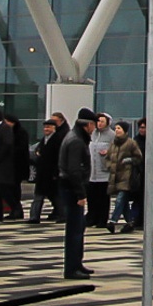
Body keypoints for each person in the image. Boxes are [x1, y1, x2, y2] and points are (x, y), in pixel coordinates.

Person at [57, 110, 96, 278]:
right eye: (93, 125)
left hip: (71, 187)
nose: (94, 128)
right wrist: (81, 194)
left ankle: (77, 263)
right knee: (74, 229)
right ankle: (72, 268)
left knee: (78, 228)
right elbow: (73, 170)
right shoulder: (76, 141)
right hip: (71, 189)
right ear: (87, 125)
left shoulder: (76, 137)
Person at [105, 121, 141, 232]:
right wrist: (109, 166)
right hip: (115, 176)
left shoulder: (131, 143)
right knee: (124, 202)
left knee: (120, 199)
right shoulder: (113, 144)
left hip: (127, 176)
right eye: (116, 128)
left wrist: (129, 160)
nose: (116, 130)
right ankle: (130, 222)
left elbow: (138, 157)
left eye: (119, 128)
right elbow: (107, 158)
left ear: (125, 131)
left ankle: (113, 221)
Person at [29, 114, 63, 223]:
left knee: (55, 196)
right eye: (45, 127)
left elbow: (58, 158)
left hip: (52, 173)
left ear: (54, 128)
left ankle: (63, 215)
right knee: (38, 196)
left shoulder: (57, 140)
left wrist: (56, 173)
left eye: (49, 127)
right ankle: (34, 217)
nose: (46, 129)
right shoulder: (43, 140)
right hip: (42, 173)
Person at [86, 113, 112, 228]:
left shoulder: (112, 135)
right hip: (92, 172)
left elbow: (117, 150)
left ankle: (102, 220)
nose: (99, 124)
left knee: (103, 198)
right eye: (98, 121)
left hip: (104, 172)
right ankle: (92, 218)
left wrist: (109, 152)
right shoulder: (92, 134)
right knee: (91, 197)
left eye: (102, 121)